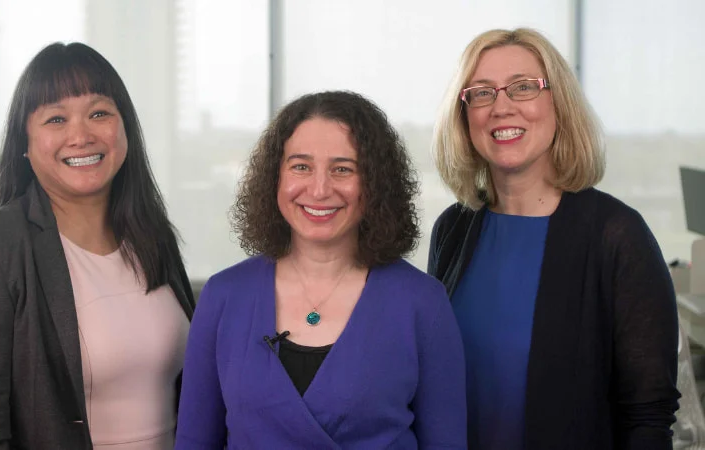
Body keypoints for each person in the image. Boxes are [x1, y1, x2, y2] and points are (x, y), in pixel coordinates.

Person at [428, 27, 680, 450]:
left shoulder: (617, 235)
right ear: (464, 114)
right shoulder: (452, 228)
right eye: (483, 93)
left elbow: (648, 417)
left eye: (523, 88)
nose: (501, 107)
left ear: (558, 104)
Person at [0, 42, 195, 449]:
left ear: (125, 127)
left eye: (99, 113)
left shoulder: (152, 235)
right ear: (24, 142)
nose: (81, 135)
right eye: (56, 118)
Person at [175, 91, 467, 449]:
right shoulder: (223, 297)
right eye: (301, 166)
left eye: (342, 169)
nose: (319, 189)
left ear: (375, 184)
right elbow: (193, 442)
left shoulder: (423, 303)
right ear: (275, 178)